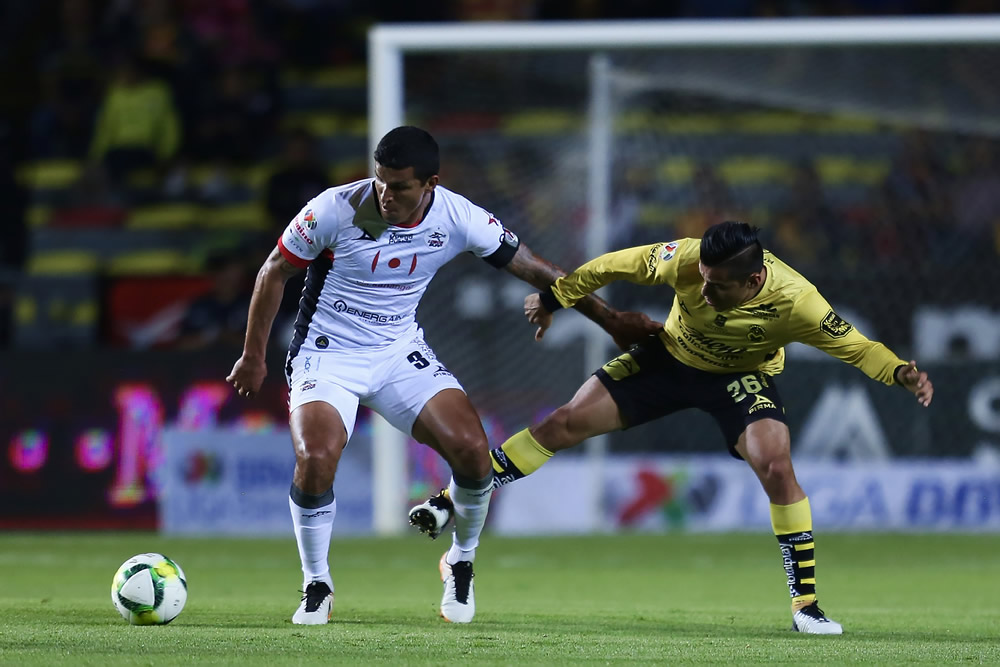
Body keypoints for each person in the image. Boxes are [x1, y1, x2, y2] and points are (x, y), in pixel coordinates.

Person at [409, 220, 934, 635]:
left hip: (740, 378)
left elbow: (858, 347)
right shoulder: (684, 257)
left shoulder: (798, 301)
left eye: (718, 287)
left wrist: (900, 372)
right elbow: (609, 266)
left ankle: (807, 606)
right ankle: (451, 499)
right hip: (669, 359)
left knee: (776, 465)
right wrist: (554, 298)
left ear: (754, 282)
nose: (703, 292)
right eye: (701, 279)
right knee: (563, 423)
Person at [225, 126, 660, 625]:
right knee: (317, 457)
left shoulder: (458, 217)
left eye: (399, 187)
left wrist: (610, 320)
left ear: (430, 183)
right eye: (380, 182)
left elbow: (537, 269)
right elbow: (274, 270)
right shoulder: (334, 208)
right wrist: (253, 356)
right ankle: (316, 583)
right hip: (328, 355)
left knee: (474, 453)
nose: (385, 196)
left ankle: (460, 561)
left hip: (398, 352)